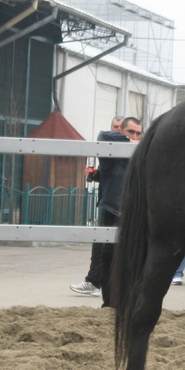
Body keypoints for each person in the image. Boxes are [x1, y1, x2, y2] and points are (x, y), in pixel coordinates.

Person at [70, 115, 125, 297]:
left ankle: (98, 283)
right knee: (100, 244)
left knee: (111, 247)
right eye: (115, 127)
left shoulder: (130, 150)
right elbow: (109, 176)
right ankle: (93, 282)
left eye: (120, 128)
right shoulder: (111, 151)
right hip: (106, 202)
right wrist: (94, 175)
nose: (117, 131)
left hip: (119, 205)